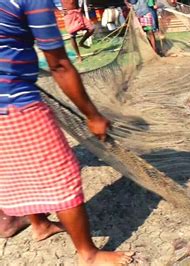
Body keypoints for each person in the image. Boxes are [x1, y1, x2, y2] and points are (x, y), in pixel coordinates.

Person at [0, 0, 134, 265]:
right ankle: (89, 254)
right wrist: (92, 115)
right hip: (14, 104)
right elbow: (59, 64)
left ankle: (40, 225)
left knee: (15, 168)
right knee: (62, 175)